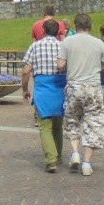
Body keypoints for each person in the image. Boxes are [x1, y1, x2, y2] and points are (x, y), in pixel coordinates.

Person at [59, 13, 104, 176]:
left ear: (75, 26)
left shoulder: (67, 42)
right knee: (93, 123)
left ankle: (75, 153)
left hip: (74, 86)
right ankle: (87, 164)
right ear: (91, 26)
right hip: (93, 87)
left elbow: (60, 64)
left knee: (72, 120)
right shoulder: (98, 43)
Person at [21, 18, 66, 173]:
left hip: (42, 88)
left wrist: (25, 89)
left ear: (44, 31)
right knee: (58, 125)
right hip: (60, 87)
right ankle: (58, 155)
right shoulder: (63, 46)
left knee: (45, 126)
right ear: (59, 32)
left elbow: (26, 71)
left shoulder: (35, 46)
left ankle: (51, 160)